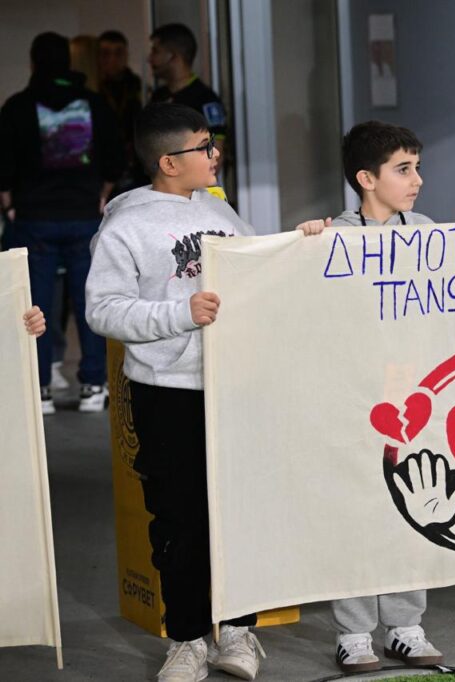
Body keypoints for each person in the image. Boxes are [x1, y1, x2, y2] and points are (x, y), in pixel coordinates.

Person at [85, 102, 324, 682]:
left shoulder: (221, 211)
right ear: (169, 161)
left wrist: (299, 245)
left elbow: (257, 273)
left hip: (236, 384)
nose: (216, 154)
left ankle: (237, 631)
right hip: (168, 392)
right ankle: (187, 639)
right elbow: (103, 310)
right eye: (204, 146)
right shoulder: (126, 225)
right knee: (179, 519)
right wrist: (180, 313)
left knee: (239, 512)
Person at [318, 120, 455, 674]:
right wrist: (301, 248)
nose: (418, 179)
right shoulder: (333, 238)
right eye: (403, 169)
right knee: (356, 506)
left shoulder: (428, 231)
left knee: (413, 500)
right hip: (351, 391)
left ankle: (405, 625)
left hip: (412, 391)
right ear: (366, 178)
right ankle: (353, 633)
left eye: (417, 167)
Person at [0, 31, 122, 414]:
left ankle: (40, 390)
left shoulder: (17, 106)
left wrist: (9, 204)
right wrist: (102, 194)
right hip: (84, 214)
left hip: (33, 217)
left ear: (33, 62)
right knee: (91, 301)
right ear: (68, 63)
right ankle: (93, 386)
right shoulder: (95, 103)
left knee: (34, 305)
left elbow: (2, 163)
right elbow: (115, 157)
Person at [148, 23, 228, 172]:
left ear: (173, 56)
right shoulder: (158, 97)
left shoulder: (205, 100)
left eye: (155, 51)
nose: (150, 58)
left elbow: (215, 156)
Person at [98, 29, 144, 194]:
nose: (112, 60)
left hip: (135, 166)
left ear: (126, 56)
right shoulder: (93, 89)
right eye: (105, 54)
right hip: (103, 165)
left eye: (118, 53)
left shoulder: (139, 87)